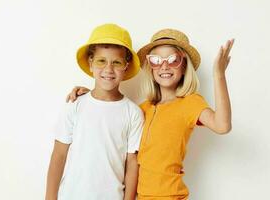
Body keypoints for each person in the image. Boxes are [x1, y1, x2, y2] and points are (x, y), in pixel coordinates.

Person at [67, 28, 234, 199]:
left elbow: (222, 125)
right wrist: (94, 95)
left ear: (184, 66)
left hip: (170, 196)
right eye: (156, 60)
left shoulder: (190, 103)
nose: (164, 66)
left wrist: (219, 75)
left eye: (172, 59)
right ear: (150, 68)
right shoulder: (141, 109)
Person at [45, 23, 144, 200]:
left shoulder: (133, 113)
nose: (108, 69)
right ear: (91, 64)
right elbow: (59, 155)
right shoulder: (75, 104)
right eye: (101, 61)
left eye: (116, 62)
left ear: (126, 67)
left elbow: (132, 164)